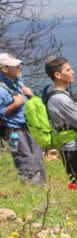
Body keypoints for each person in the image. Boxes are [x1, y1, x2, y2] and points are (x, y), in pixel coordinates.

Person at [43, 55, 77, 186]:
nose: (73, 72)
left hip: (73, 145)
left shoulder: (56, 92)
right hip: (73, 148)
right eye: (68, 70)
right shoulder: (60, 99)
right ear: (58, 74)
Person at [0, 52, 47, 185]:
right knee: (24, 159)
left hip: (29, 127)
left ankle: (42, 188)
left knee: (38, 157)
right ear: (5, 69)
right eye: (15, 65)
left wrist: (31, 95)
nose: (19, 67)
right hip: (14, 132)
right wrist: (15, 104)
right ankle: (31, 188)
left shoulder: (19, 82)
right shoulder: (1, 90)